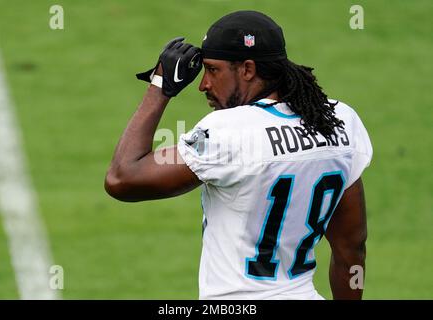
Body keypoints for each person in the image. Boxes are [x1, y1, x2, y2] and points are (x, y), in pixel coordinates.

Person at [105, 10, 372, 300]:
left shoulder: (229, 131)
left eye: (212, 70)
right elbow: (351, 248)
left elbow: (122, 177)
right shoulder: (338, 120)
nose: (203, 85)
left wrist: (160, 87)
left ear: (247, 69)